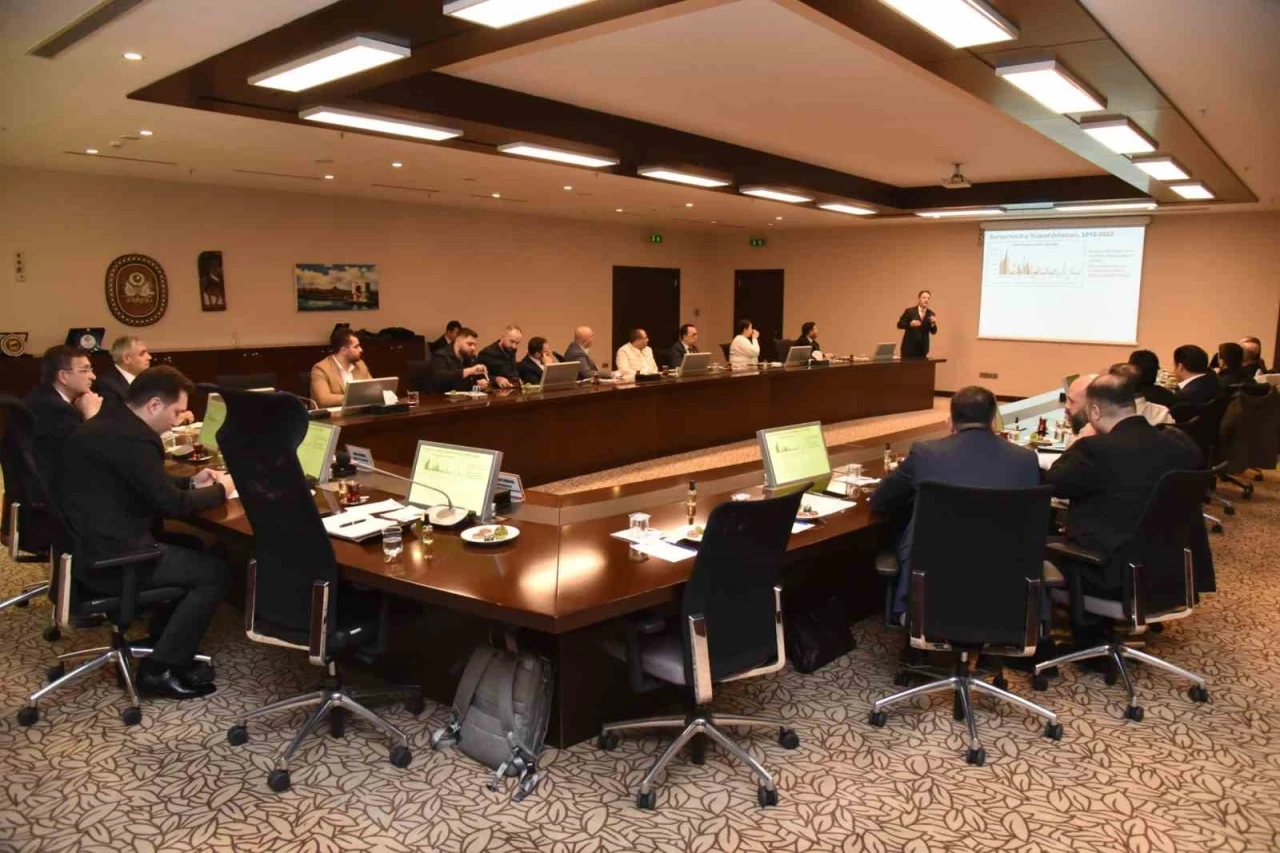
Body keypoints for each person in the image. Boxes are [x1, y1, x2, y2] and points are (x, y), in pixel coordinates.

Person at [59, 366, 234, 700]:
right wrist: (221, 489)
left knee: (193, 545)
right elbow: (172, 506)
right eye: (177, 411)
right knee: (216, 572)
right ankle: (160, 670)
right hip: (114, 559)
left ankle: (163, 641)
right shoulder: (136, 438)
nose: (179, 419)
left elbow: (140, 480)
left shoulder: (112, 422)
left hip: (86, 548)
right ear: (154, 405)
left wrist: (191, 481)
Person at [871, 386, 1040, 617]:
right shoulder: (1026, 460)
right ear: (994, 421)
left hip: (931, 594)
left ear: (951, 421)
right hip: (1007, 596)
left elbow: (880, 500)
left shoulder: (926, 453)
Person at [1046, 373, 1202, 601]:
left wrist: (1080, 439)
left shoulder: (1093, 449)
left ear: (1095, 412)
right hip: (1169, 572)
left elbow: (1054, 483)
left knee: (1031, 547)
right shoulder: (1181, 446)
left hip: (1106, 574)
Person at [24, 345, 103, 487]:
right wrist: (92, 416)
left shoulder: (42, 395)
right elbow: (90, 454)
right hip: (52, 491)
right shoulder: (56, 409)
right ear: (63, 376)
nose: (93, 376)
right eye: (85, 370)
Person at [310, 326, 371, 407]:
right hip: (332, 414)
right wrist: (355, 398)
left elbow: (372, 389)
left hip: (360, 411)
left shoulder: (360, 365)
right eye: (356, 347)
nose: (361, 350)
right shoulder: (321, 368)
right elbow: (324, 399)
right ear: (343, 350)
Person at [95, 335, 152, 410]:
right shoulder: (105, 384)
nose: (149, 357)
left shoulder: (148, 379)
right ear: (127, 359)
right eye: (142, 354)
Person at [429, 327, 489, 393]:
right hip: (442, 397)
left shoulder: (471, 358)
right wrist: (469, 371)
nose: (473, 348)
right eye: (470, 344)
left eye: (475, 345)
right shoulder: (441, 355)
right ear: (458, 341)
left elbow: (477, 380)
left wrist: (482, 383)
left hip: (465, 397)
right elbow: (440, 377)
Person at [477, 325, 522, 389]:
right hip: (494, 391)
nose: (514, 346)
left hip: (511, 389)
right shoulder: (487, 353)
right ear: (503, 337)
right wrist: (496, 379)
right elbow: (479, 376)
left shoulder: (512, 349)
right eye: (512, 341)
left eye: (517, 343)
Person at [897, 290, 938, 358]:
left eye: (928, 298)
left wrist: (933, 323)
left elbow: (934, 332)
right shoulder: (910, 311)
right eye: (924, 297)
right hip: (909, 348)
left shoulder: (931, 313)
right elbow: (899, 324)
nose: (926, 300)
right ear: (919, 299)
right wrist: (910, 324)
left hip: (923, 349)